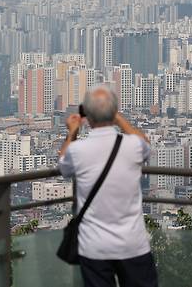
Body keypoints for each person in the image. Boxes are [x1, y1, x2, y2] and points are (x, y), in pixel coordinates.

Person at [59, 86, 158, 287]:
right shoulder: (133, 146)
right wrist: (119, 118)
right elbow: (145, 144)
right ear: (113, 112)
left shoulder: (78, 151)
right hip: (132, 243)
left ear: (87, 115)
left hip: (94, 247)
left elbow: (64, 165)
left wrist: (72, 132)